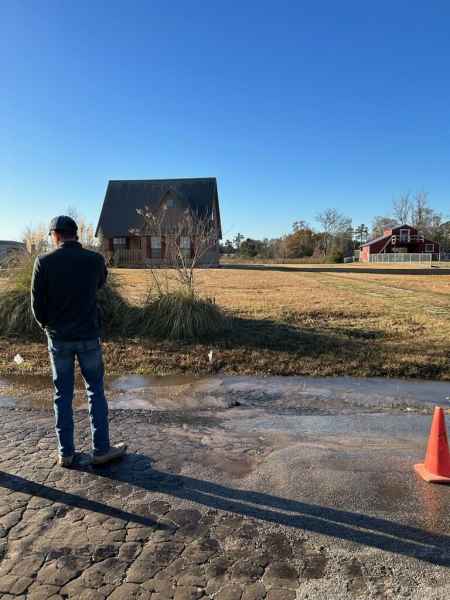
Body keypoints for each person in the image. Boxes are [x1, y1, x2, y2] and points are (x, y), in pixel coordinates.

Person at [31, 215, 126, 467]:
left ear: (56, 235)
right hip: (88, 335)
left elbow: (36, 305)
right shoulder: (94, 260)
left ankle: (66, 452)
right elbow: (100, 283)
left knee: (61, 394)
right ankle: (101, 449)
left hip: (59, 338)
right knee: (95, 390)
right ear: (75, 234)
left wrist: (47, 327)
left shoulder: (43, 262)